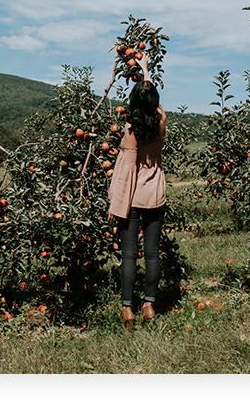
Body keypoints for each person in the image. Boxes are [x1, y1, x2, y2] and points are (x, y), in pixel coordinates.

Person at [108, 52, 166, 332]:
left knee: (129, 255)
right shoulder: (161, 120)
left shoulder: (130, 130)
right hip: (156, 194)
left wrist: (116, 203)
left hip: (132, 198)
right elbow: (151, 100)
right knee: (152, 254)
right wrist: (146, 72)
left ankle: (127, 309)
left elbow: (126, 172)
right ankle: (150, 304)